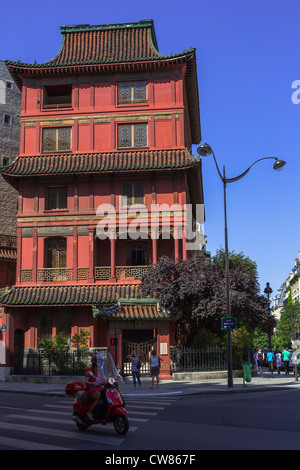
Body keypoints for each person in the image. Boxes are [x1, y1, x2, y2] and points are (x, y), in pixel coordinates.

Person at [85, 353, 104, 420]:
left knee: (108, 395)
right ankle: (89, 412)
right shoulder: (89, 370)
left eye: (101, 361)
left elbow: (103, 379)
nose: (100, 363)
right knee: (99, 397)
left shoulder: (100, 370)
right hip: (91, 388)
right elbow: (86, 381)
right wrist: (92, 383)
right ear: (94, 362)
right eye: (98, 361)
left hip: (99, 387)